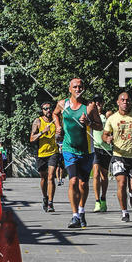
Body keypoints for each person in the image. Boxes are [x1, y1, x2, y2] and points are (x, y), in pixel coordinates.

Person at [53, 77, 102, 228]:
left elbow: (99, 126)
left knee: (83, 183)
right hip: (69, 149)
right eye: (74, 87)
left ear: (84, 89)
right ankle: (74, 216)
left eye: (80, 87)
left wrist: (89, 123)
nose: (77, 89)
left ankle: (81, 211)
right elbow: (55, 114)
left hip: (87, 151)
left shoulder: (89, 106)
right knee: (73, 181)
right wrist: (58, 126)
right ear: (70, 89)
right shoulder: (63, 104)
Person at [103, 92, 132, 222]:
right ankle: (124, 212)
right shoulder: (112, 118)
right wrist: (107, 139)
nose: (125, 102)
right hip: (118, 156)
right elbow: (105, 134)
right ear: (118, 102)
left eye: (127, 100)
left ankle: (131, 194)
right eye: (122, 100)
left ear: (130, 102)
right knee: (121, 184)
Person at [30, 102, 58, 212]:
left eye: (50, 108)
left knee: (51, 176)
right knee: (43, 178)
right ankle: (45, 197)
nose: (48, 110)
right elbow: (31, 138)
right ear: (42, 110)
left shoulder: (56, 120)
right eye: (45, 109)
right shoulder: (38, 121)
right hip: (41, 153)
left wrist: (60, 135)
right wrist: (42, 132)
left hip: (53, 152)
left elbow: (61, 133)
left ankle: (50, 202)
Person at [91, 93, 111, 211]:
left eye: (100, 101)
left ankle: (103, 198)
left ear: (103, 103)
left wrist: (111, 137)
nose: (98, 103)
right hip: (95, 147)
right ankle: (97, 201)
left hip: (106, 148)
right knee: (96, 174)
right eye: (95, 101)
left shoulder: (107, 115)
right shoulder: (90, 116)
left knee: (104, 175)